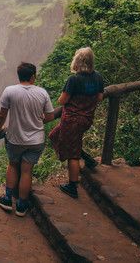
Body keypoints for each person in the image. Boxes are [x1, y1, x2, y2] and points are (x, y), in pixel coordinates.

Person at [0, 62, 55, 216]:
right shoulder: (42, 93)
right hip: (36, 140)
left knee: (13, 166)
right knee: (27, 171)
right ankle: (22, 206)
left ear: (19, 76)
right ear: (33, 76)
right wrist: (38, 120)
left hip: (15, 139)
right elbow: (50, 116)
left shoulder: (10, 91)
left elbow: (2, 114)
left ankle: (8, 199)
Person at [49, 47, 105, 199]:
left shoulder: (74, 79)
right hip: (86, 119)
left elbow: (62, 100)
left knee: (72, 154)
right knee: (54, 135)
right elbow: (100, 97)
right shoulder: (98, 77)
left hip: (71, 120)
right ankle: (86, 158)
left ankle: (72, 186)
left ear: (77, 62)